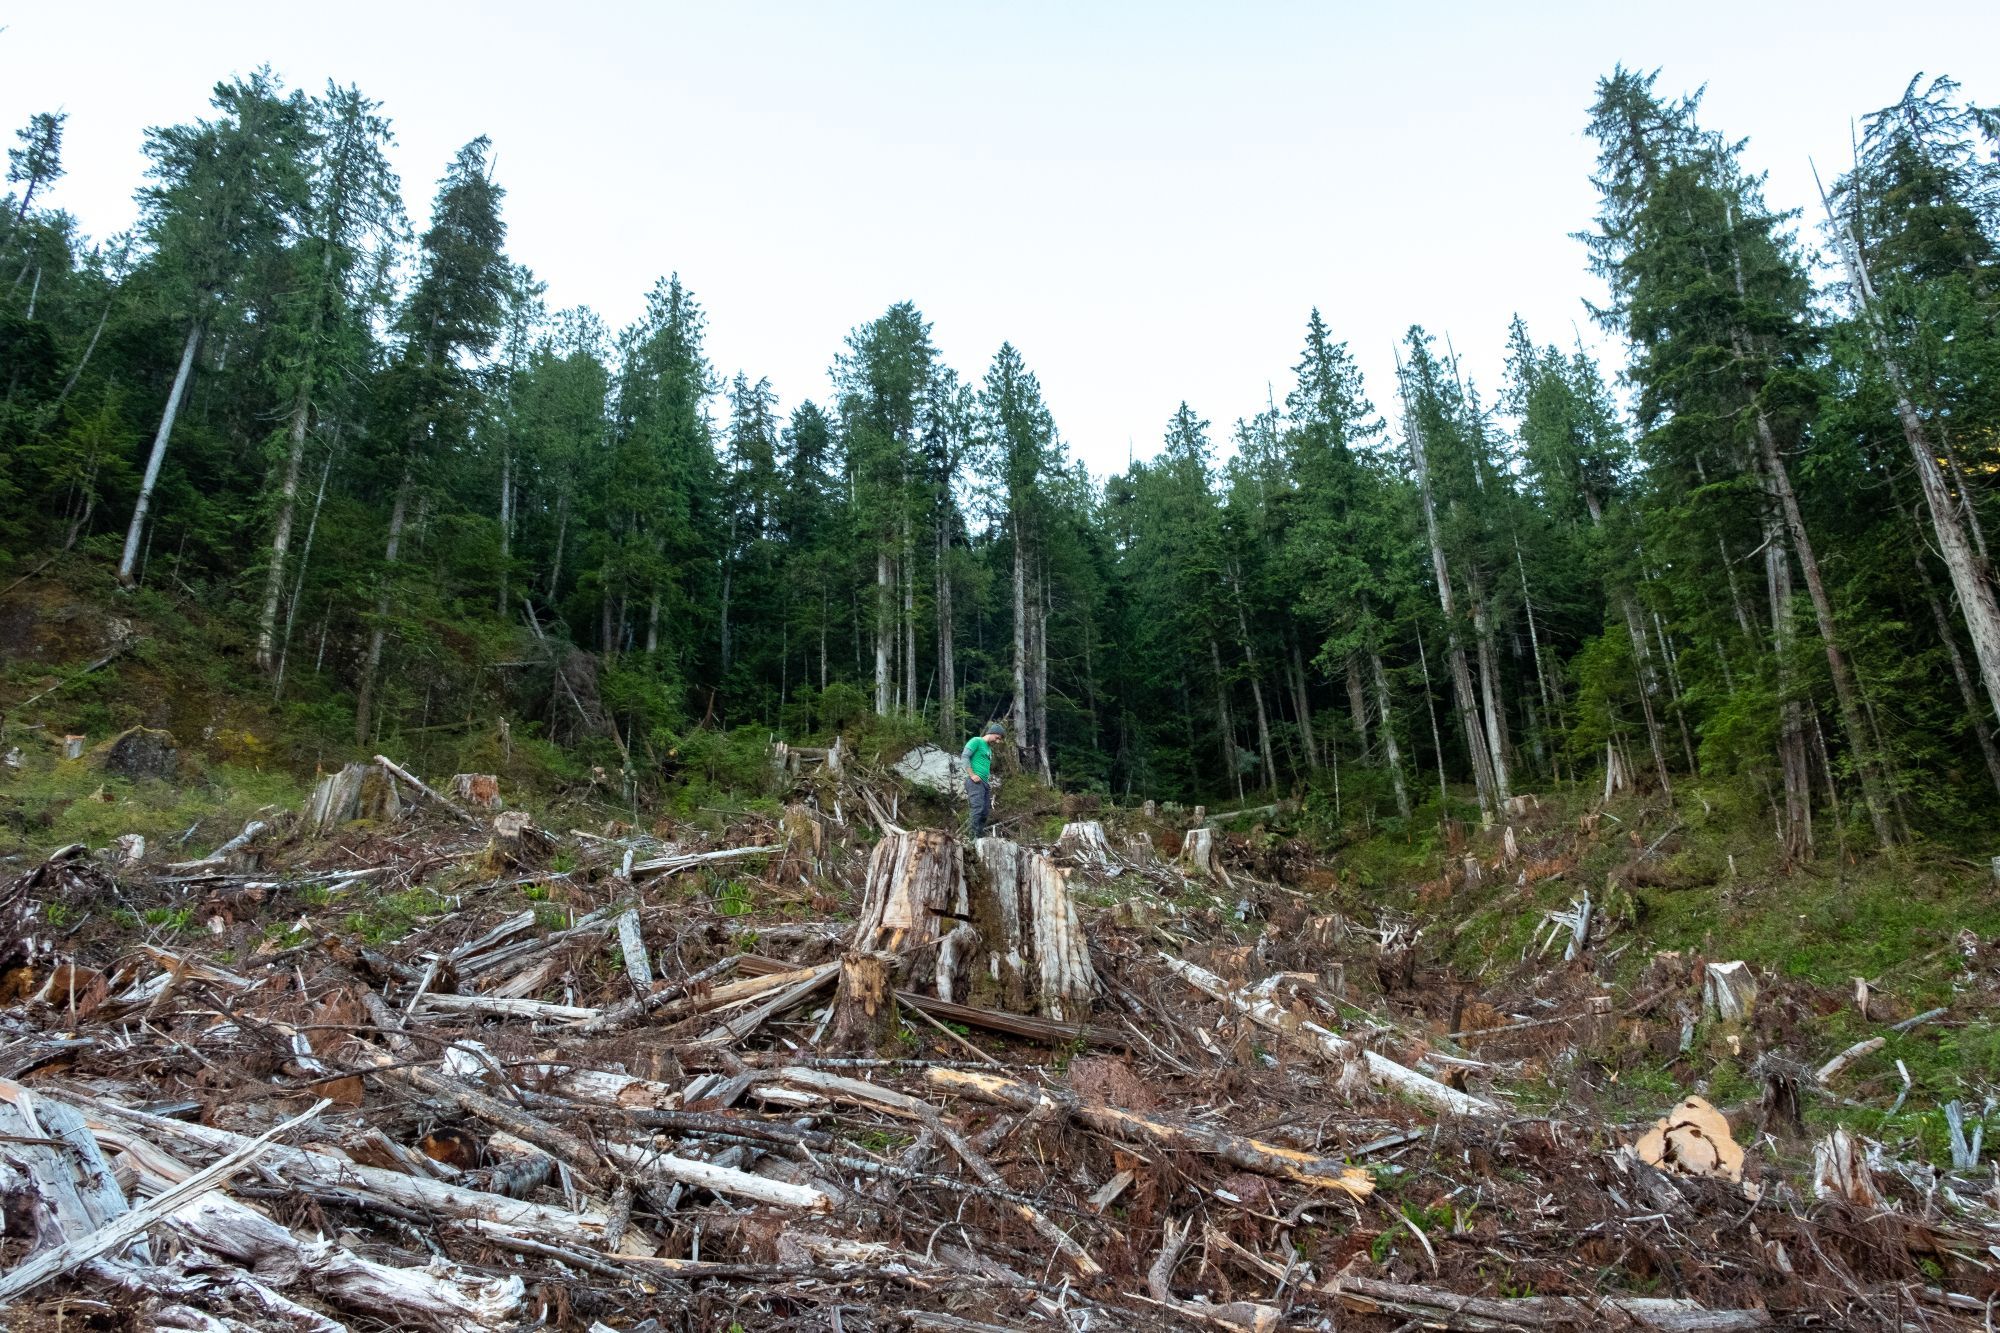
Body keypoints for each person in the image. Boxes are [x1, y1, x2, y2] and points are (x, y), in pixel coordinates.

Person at [962, 722, 1005, 839]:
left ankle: (979, 839)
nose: (997, 741)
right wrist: (972, 775)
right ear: (992, 732)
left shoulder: (989, 750)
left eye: (999, 740)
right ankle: (972, 839)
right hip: (975, 782)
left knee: (985, 812)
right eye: (997, 738)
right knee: (977, 808)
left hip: (984, 784)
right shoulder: (976, 741)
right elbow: (965, 756)